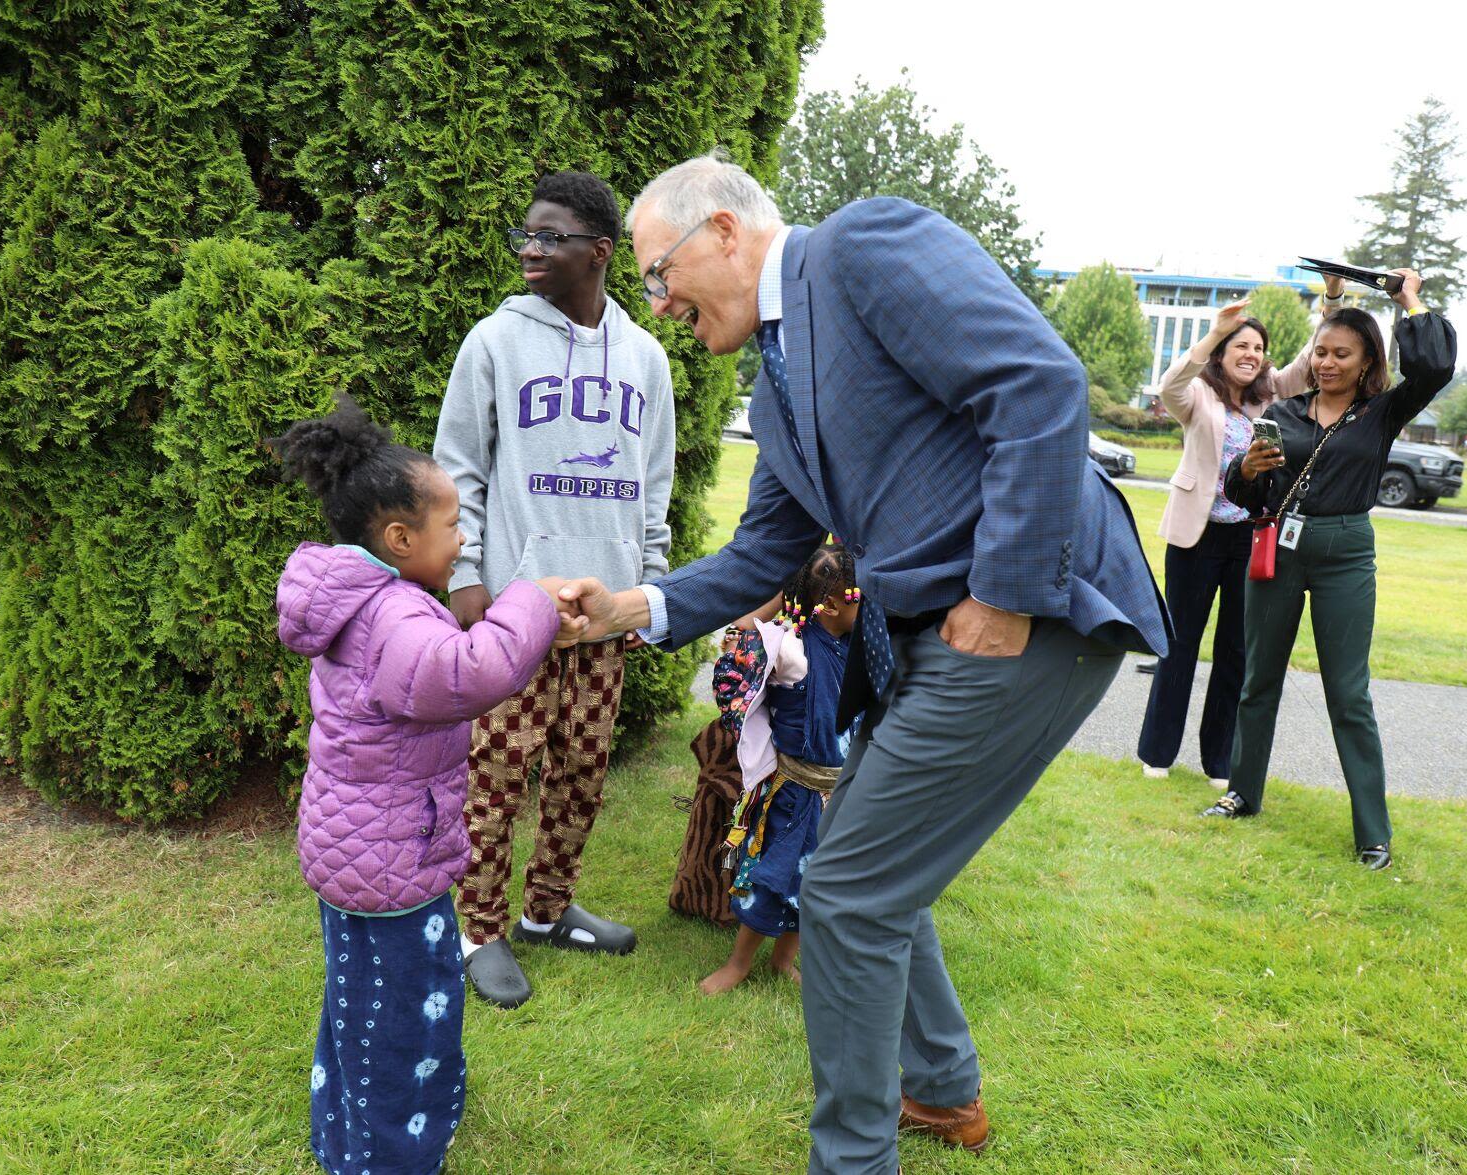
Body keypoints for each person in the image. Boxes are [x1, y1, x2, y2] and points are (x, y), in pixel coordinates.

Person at [561, 152, 1169, 1174]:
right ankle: (938, 1090)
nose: (657, 303)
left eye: (658, 274)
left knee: (843, 893)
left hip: (1032, 616)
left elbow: (1037, 383)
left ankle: (850, 1158)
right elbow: (763, 551)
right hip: (938, 642)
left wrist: (1002, 593)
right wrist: (633, 607)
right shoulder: (777, 378)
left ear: (718, 230)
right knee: (868, 861)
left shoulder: (859, 247)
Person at [270, 397, 589, 1175]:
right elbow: (472, 673)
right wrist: (533, 600)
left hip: (355, 851)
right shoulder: (393, 616)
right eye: (452, 527)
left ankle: (343, 1125)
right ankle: (389, 1154)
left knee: (360, 997)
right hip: (391, 866)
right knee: (405, 1011)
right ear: (400, 537)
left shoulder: (360, 599)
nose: (463, 539)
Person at [433, 171, 677, 1009]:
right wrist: (466, 581)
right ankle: (479, 929)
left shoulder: (644, 359)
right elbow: (457, 469)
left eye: (550, 238)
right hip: (514, 615)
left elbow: (653, 485)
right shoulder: (493, 343)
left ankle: (546, 911)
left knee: (581, 773)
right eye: (524, 237)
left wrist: (648, 588)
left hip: (603, 617)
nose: (530, 251)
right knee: (494, 780)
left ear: (600, 253)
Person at [1203, 269, 1455, 871]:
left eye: (1342, 354)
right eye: (1321, 352)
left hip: (1346, 551)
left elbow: (1437, 366)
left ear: (1368, 359)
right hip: (1279, 549)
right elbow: (1244, 494)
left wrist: (1407, 297)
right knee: (1257, 678)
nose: (1327, 363)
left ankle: (1373, 831)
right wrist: (1249, 469)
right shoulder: (1284, 412)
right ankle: (1243, 792)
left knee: (1348, 693)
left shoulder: (1383, 411)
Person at [1137, 279, 1340, 788]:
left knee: (1235, 651)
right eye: (1241, 346)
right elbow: (1168, 384)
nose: (1251, 355)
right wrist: (1215, 330)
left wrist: (1332, 303)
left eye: (1258, 348)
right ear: (1222, 354)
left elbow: (1308, 364)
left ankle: (1219, 762)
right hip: (1196, 534)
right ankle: (1158, 753)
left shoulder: (1270, 395)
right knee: (1178, 644)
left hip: (1250, 537)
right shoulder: (1197, 396)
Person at [700, 544, 858, 995]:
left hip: (838, 796)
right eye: (858, 596)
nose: (866, 605)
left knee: (815, 883)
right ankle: (739, 964)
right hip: (792, 795)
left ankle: (783, 960)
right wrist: (782, 589)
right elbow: (744, 631)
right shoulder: (791, 649)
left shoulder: (857, 646)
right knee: (771, 879)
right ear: (829, 604)